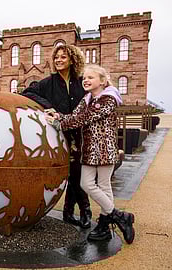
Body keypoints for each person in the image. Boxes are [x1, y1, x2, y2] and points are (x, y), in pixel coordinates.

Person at [46, 64, 135, 244]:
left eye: (90, 78)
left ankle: (105, 224)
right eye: (84, 78)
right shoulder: (87, 99)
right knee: (87, 184)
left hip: (104, 149)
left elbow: (84, 118)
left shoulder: (108, 100)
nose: (85, 80)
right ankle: (118, 216)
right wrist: (58, 117)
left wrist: (60, 125)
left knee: (101, 186)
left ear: (102, 81)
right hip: (89, 150)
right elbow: (73, 115)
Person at [22, 44, 92, 229]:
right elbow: (28, 92)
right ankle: (81, 211)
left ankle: (74, 211)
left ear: (72, 60)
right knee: (72, 172)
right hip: (59, 133)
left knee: (76, 172)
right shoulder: (49, 82)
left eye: (63, 57)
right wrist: (47, 106)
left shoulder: (80, 81)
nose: (59, 60)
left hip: (79, 134)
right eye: (56, 58)